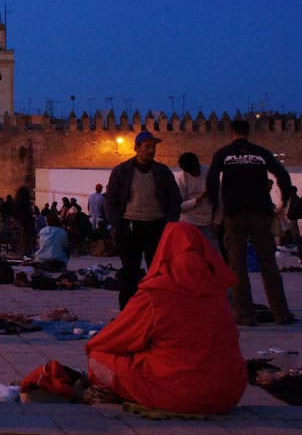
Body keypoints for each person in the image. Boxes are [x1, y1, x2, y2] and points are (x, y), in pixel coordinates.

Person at [85, 222, 247, 414]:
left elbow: (116, 339)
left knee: (97, 358)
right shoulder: (217, 291)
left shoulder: (156, 293)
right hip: (229, 393)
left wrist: (92, 345)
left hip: (180, 394)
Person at [206, 120, 296, 325]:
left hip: (234, 214)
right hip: (261, 214)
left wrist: (214, 209)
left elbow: (211, 181)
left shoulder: (223, 153)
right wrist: (284, 200)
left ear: (232, 133)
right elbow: (281, 174)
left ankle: (245, 316)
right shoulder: (261, 153)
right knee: (269, 265)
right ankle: (281, 314)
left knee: (237, 267)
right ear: (248, 132)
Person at [104, 131, 181, 310]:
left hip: (156, 226)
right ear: (136, 148)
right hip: (130, 226)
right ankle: (128, 314)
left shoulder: (162, 171)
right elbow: (111, 199)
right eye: (147, 146)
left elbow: (174, 198)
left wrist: (170, 222)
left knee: (158, 272)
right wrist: (117, 225)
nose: (151, 150)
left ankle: (157, 311)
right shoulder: (122, 171)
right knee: (130, 273)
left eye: (153, 147)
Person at [176, 152, 221, 250]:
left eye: (197, 169)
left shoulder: (209, 173)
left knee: (213, 254)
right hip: (188, 222)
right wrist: (199, 198)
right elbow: (180, 207)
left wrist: (217, 222)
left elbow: (220, 199)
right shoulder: (181, 179)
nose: (196, 173)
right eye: (192, 172)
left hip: (207, 223)